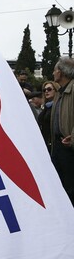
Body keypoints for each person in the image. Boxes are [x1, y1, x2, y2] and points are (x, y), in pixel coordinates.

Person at [50, 57, 74, 205]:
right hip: (58, 146)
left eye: (55, 70)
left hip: (69, 147)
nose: (53, 73)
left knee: (70, 187)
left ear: (61, 72)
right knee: (58, 185)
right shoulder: (60, 92)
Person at [38, 81, 60, 152]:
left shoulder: (58, 106)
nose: (46, 91)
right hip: (44, 142)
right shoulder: (46, 107)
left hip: (54, 143)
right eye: (44, 90)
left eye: (49, 89)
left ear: (56, 90)